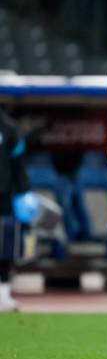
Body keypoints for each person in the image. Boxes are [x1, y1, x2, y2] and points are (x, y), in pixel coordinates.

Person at [0, 109, 30, 312]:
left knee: (4, 247)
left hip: (4, 199)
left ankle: (3, 296)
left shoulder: (9, 128)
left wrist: (23, 193)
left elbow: (19, 165)